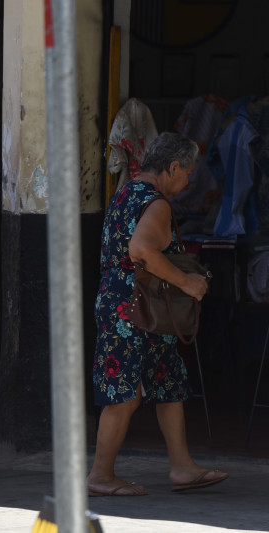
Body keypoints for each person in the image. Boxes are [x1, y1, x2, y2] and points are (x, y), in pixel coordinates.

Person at [87, 132, 228, 496]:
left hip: (132, 303)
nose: (188, 182)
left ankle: (182, 468)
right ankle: (101, 476)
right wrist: (188, 282)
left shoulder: (126, 193)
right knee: (125, 393)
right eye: (188, 174)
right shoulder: (157, 203)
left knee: (169, 384)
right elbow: (143, 251)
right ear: (173, 166)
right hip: (135, 307)